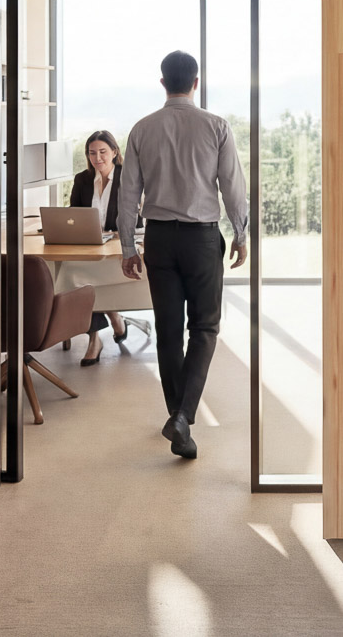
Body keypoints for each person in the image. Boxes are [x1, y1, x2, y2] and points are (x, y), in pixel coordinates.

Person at [118, 50, 249, 460]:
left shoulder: (141, 129)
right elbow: (232, 187)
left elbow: (128, 193)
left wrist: (128, 246)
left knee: (169, 331)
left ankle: (178, 418)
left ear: (163, 83)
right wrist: (241, 233)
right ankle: (183, 417)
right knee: (205, 328)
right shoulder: (216, 126)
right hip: (202, 240)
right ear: (195, 83)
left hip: (158, 239)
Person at [69, 130, 129, 367]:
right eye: (92, 153)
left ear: (114, 152)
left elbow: (137, 217)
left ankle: (112, 315)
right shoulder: (82, 179)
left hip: (118, 246)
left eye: (103, 152)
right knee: (79, 279)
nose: (98, 158)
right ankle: (96, 337)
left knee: (91, 280)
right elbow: (73, 215)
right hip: (90, 245)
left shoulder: (128, 177)